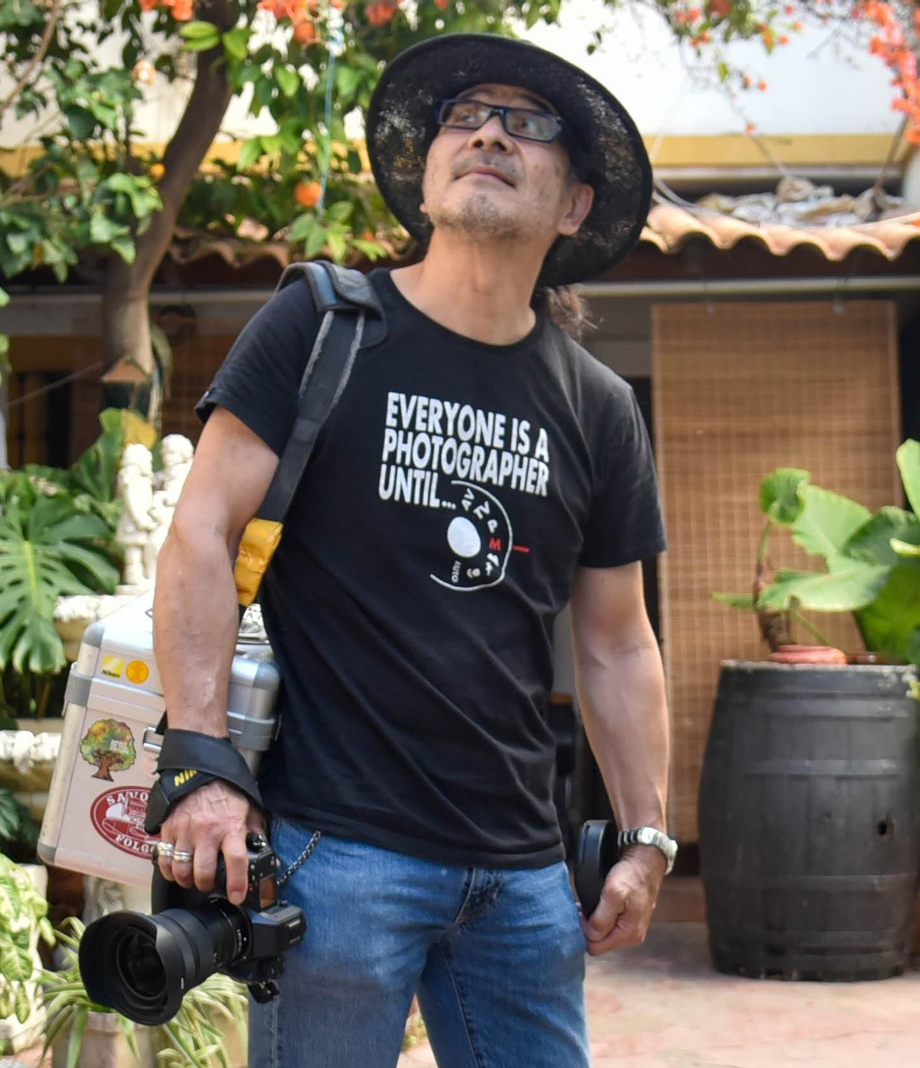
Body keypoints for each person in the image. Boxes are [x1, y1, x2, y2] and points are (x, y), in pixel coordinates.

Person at [148, 32, 675, 1068]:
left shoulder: (599, 409)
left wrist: (647, 838)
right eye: (465, 116)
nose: (486, 132)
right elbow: (201, 531)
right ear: (427, 173)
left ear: (571, 205)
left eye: (528, 124)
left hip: (524, 879)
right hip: (333, 852)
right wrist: (200, 762)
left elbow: (617, 644)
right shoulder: (321, 323)